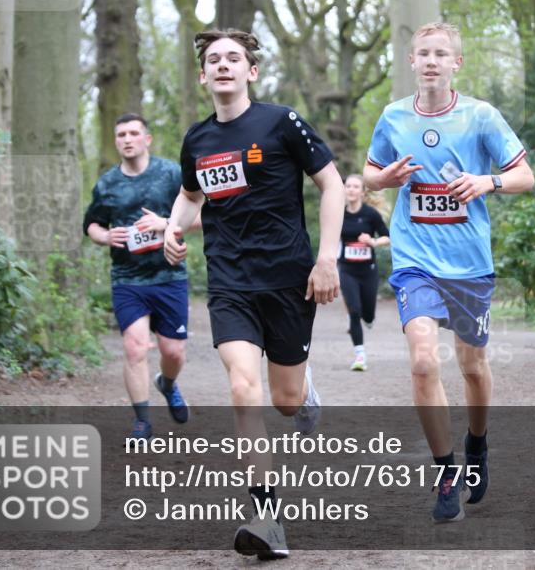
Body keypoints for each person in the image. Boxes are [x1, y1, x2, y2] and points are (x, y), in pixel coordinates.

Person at [164, 28, 343, 560]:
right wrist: (173, 228)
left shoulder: (281, 122)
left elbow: (332, 184)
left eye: (233, 58)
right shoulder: (197, 140)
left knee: (284, 402)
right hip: (230, 283)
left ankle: (304, 390)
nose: (223, 65)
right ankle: (267, 518)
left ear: (251, 71)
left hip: (288, 279)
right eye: (214, 60)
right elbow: (190, 195)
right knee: (244, 388)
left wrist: (326, 258)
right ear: (203, 76)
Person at [364, 22, 534, 524]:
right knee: (422, 362)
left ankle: (477, 444)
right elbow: (371, 173)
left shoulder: (481, 116)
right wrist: (384, 178)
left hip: (468, 265)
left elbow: (525, 175)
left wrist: (487, 182)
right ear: (411, 61)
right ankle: (445, 473)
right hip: (415, 259)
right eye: (424, 53)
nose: (432, 61)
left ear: (456, 62)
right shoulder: (394, 116)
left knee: (472, 367)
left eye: (441, 53)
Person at [83, 113, 197, 441]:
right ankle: (142, 422)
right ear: (116, 141)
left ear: (147, 139)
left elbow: (204, 213)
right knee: (134, 348)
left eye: (134, 133)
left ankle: (168, 384)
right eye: (121, 135)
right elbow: (91, 224)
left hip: (169, 275)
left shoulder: (171, 174)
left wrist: (168, 224)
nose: (127, 139)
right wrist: (106, 236)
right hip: (127, 279)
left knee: (173, 353)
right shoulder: (107, 184)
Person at [339, 174, 390, 371]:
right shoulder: (338, 213)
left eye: (355, 186)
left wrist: (373, 242)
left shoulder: (370, 214)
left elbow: (387, 237)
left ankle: (368, 319)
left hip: (368, 271)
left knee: (367, 315)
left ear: (362, 192)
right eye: (348, 186)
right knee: (354, 311)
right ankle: (360, 355)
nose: (351, 189)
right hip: (347, 270)